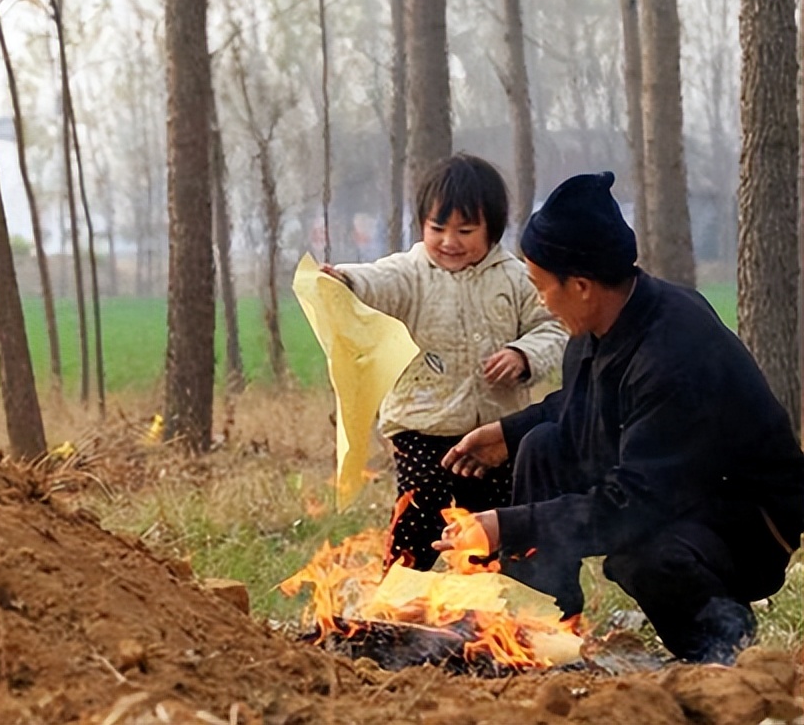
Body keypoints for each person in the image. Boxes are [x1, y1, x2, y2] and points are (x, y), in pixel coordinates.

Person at [436, 171, 804, 665]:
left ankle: (723, 650)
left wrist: (507, 525)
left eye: (542, 287)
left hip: (744, 517)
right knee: (542, 446)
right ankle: (542, 625)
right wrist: (509, 431)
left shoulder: (675, 353)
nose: (540, 300)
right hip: (671, 483)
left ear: (582, 285)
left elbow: (630, 505)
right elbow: (582, 407)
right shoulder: (600, 321)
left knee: (641, 553)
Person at [321, 153, 567, 571]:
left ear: (492, 230)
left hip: (493, 435)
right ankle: (396, 604)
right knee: (418, 521)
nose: (449, 242)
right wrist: (345, 280)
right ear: (422, 225)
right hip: (422, 429)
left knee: (490, 528)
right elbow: (377, 280)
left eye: (465, 231)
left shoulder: (514, 278)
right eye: (438, 228)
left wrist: (523, 355)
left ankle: (489, 616)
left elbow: (555, 327)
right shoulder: (411, 273)